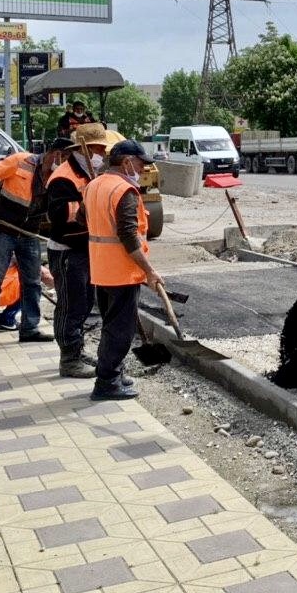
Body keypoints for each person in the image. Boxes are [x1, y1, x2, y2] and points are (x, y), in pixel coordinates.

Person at [84, 139, 162, 400]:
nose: (142, 170)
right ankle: (106, 382)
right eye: (140, 164)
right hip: (121, 271)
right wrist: (149, 271)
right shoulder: (124, 191)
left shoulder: (93, 185)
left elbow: (85, 220)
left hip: (100, 268)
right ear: (127, 162)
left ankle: (113, 373)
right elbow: (129, 235)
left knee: (111, 325)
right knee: (120, 330)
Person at [0, 149, 55, 352]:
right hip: (3, 232)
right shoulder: (20, 161)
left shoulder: (58, 175)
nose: (60, 162)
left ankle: (29, 328)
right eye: (59, 156)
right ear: (50, 154)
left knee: (33, 283)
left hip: (29, 235)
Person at [47, 123, 111, 378]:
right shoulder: (63, 177)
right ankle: (69, 360)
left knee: (84, 304)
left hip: (85, 250)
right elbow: (61, 219)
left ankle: (76, 349)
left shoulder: (88, 175)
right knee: (70, 306)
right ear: (84, 150)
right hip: (67, 251)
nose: (102, 156)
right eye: (98, 150)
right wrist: (88, 206)